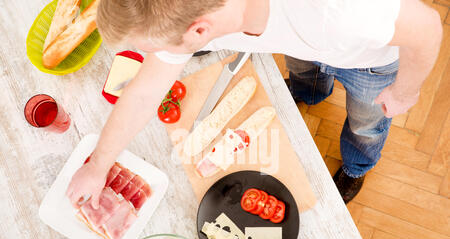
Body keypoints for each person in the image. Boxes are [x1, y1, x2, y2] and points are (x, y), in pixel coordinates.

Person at [66, 0, 443, 207]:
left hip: (371, 64)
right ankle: (311, 93)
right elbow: (146, 90)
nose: (158, 58)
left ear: (200, 31)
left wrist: (405, 92)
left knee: (366, 124)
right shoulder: (195, 11)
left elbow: (428, 25)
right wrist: (98, 164)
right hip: (306, 43)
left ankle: (359, 166)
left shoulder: (343, 11)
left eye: (158, 49)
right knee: (305, 74)